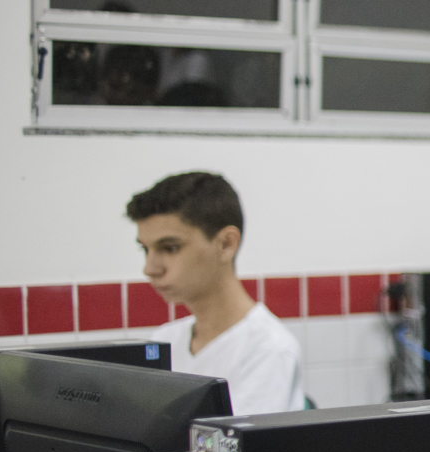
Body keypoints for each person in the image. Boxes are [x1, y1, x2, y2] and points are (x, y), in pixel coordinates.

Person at [128, 171, 305, 415]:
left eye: (170, 248)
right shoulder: (165, 340)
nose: (150, 268)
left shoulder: (268, 349)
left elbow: (238, 450)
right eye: (145, 249)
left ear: (226, 244)